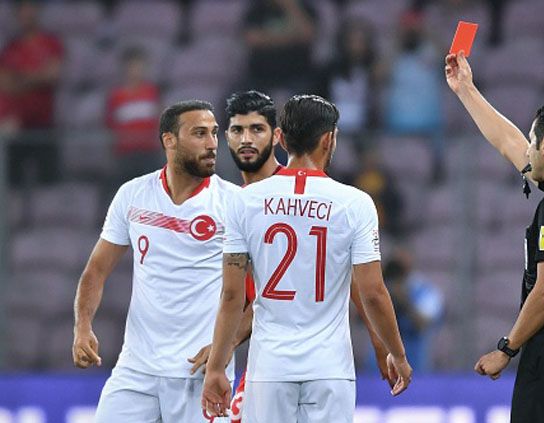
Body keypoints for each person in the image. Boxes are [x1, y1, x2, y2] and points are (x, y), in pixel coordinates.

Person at [202, 95, 412, 422]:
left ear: (281, 139)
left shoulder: (245, 202)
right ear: (329, 139)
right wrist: (396, 353)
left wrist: (216, 367)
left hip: (270, 368)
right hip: (329, 368)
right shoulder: (354, 204)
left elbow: (231, 296)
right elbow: (372, 292)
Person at [445, 51, 544, 422]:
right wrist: (466, 90)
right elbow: (509, 142)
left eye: (534, 140)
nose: (528, 147)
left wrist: (506, 348)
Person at [72, 100, 237, 422]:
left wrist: (225, 348)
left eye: (215, 134)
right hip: (136, 369)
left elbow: (258, 291)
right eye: (200, 134)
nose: (212, 144)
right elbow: (96, 270)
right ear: (169, 140)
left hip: (200, 371)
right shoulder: (133, 195)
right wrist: (82, 327)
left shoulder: (233, 203)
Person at [0, 0, 63, 185]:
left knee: (48, 185)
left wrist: (19, 77)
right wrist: (37, 76)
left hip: (44, 126)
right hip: (17, 127)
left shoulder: (50, 42)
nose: (27, 13)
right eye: (22, 9)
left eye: (30, 8)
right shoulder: (11, 48)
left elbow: (53, 75)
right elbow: (5, 84)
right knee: (13, 186)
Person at [105, 46, 162, 184]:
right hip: (125, 155)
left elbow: (159, 119)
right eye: (131, 66)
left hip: (149, 152)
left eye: (138, 66)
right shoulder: (116, 96)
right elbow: (109, 124)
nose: (135, 71)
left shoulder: (152, 92)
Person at [383, 248, 444, 372]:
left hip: (415, 358)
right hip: (382, 359)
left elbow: (423, 324)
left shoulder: (425, 290)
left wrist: (404, 302)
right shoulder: (381, 290)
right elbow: (359, 318)